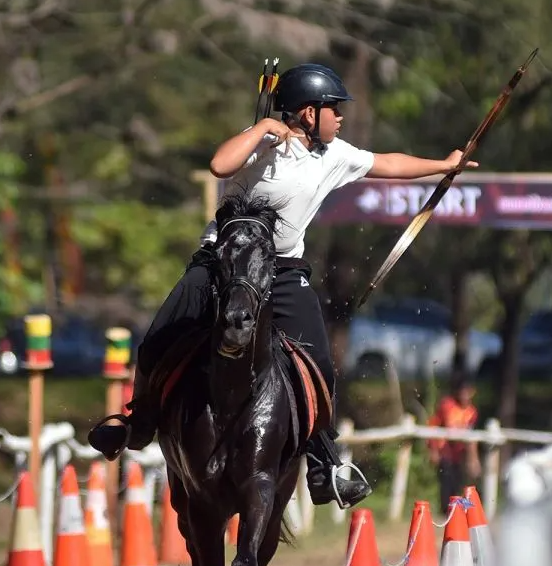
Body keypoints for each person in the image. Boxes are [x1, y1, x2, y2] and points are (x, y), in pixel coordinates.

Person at [87, 62, 479, 509]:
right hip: (223, 261)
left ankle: (323, 463)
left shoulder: (335, 154)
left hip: (283, 270)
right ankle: (138, 423)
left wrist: (445, 164)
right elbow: (219, 164)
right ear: (308, 113)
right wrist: (265, 128)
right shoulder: (261, 143)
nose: (342, 116)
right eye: (334, 108)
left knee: (320, 363)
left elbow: (387, 163)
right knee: (159, 337)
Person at [427, 377, 481, 513]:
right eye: (462, 392)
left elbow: (470, 435)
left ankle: (458, 510)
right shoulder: (447, 406)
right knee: (446, 481)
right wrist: (433, 449)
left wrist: (473, 459)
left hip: (460, 452)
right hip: (444, 449)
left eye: (467, 392)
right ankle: (445, 511)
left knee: (459, 482)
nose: (464, 395)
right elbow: (434, 425)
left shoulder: (472, 412)